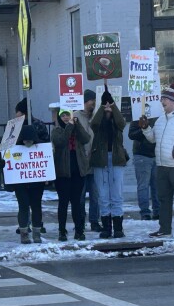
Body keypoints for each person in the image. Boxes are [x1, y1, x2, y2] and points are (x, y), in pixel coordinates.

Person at [140, 84, 174, 238]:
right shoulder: (160, 120)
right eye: (161, 99)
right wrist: (145, 128)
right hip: (162, 166)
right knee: (164, 199)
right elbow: (153, 139)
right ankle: (164, 228)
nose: (162, 101)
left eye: (164, 99)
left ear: (173, 102)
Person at [90, 87, 127, 239]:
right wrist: (101, 106)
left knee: (117, 195)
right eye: (106, 108)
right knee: (103, 196)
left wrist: (112, 104)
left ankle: (118, 227)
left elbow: (121, 122)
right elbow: (94, 123)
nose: (107, 111)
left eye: (109, 108)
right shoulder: (98, 127)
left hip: (116, 160)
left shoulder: (117, 126)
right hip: (101, 161)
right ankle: (106, 227)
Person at [52, 109, 91, 241]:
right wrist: (69, 127)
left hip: (78, 170)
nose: (65, 117)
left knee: (77, 202)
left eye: (67, 115)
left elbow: (86, 138)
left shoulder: (76, 128)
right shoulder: (56, 131)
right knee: (63, 202)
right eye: (62, 115)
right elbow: (61, 142)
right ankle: (62, 231)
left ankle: (79, 230)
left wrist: (77, 125)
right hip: (63, 172)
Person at [15, 97, 49, 234]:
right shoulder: (15, 126)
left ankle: (33, 227)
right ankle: (27, 227)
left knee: (33, 205)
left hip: (32, 173)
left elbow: (45, 148)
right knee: (28, 205)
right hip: (22, 173)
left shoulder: (37, 126)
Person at [73, 89, 102, 232]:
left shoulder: (96, 116)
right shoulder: (76, 116)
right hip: (81, 162)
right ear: (86, 101)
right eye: (92, 101)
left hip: (94, 161)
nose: (94, 104)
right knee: (80, 195)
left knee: (95, 195)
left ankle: (94, 221)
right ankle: (80, 221)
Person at [13, 125, 46, 244]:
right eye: (25, 140)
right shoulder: (14, 149)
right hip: (21, 184)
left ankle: (36, 233)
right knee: (23, 207)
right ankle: (24, 234)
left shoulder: (41, 148)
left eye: (30, 140)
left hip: (36, 183)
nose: (27, 143)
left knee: (36, 207)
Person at [129, 115, 160, 220]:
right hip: (142, 154)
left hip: (157, 154)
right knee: (143, 185)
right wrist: (143, 128)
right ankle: (145, 212)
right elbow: (131, 134)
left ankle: (158, 211)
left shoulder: (159, 114)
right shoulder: (138, 113)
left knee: (157, 185)